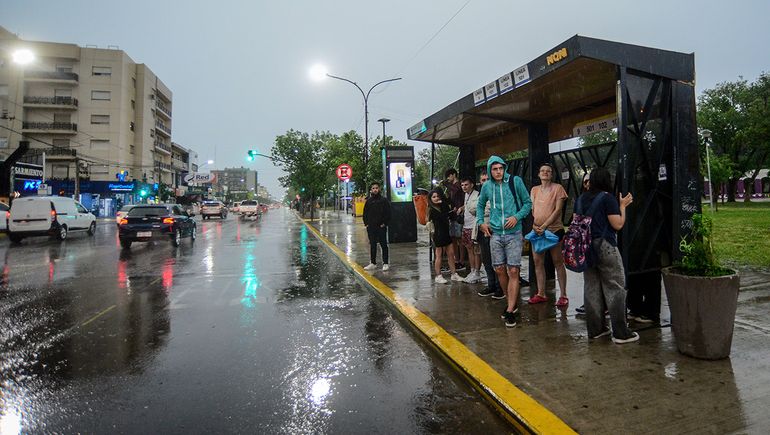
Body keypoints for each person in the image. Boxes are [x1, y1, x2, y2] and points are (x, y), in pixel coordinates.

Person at [578, 167, 639, 344]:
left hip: (585, 247)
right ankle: (621, 332)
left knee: (591, 288)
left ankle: (596, 330)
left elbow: (577, 222)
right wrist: (622, 206)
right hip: (605, 246)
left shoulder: (581, 199)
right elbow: (617, 224)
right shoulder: (607, 198)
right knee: (615, 286)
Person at [476, 156, 532, 327]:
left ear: (504, 168)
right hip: (495, 234)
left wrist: (517, 217)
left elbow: (527, 203)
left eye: (501, 168)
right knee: (499, 269)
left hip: (514, 233)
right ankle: (511, 304)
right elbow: (480, 205)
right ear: (490, 170)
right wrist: (481, 222)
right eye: (495, 169)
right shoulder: (487, 186)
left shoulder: (515, 181)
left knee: (513, 270)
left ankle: (509, 309)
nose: (498, 172)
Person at [529, 163, 569, 307]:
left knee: (557, 261)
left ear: (552, 175)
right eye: (542, 170)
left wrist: (545, 225)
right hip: (537, 230)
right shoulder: (534, 190)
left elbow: (558, 210)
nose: (545, 172)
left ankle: (563, 295)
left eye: (548, 171)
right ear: (538, 174)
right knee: (537, 261)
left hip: (554, 230)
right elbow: (532, 209)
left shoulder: (558, 188)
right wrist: (535, 225)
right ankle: (541, 293)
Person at [475, 170, 505, 299]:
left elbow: (495, 209)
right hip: (482, 232)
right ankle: (491, 285)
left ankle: (500, 288)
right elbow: (473, 209)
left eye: (488, 179)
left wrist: (482, 210)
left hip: (496, 232)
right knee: (486, 261)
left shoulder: (500, 193)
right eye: (483, 180)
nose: (485, 182)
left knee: (498, 261)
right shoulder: (480, 195)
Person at [428, 189, 463, 284]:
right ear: (430, 199)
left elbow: (449, 215)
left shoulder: (443, 206)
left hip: (446, 232)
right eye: (434, 197)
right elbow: (439, 218)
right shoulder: (431, 210)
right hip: (438, 234)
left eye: (437, 196)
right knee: (439, 255)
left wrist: (449, 209)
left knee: (451, 254)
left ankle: (454, 274)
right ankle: (438, 275)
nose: (436, 198)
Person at [458, 176, 482, 283]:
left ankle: (477, 272)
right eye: (462, 185)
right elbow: (466, 205)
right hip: (466, 225)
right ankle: (472, 271)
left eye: (466, 184)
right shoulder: (466, 195)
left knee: (476, 250)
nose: (464, 187)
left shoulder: (477, 195)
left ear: (472, 185)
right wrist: (461, 208)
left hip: (474, 226)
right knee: (469, 249)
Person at [440, 168, 465, 271]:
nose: (448, 179)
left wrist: (445, 183)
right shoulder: (451, 188)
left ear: (453, 175)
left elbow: (456, 190)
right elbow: (450, 199)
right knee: (453, 239)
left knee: (460, 239)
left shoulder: (458, 185)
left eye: (449, 176)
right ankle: (456, 260)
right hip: (453, 215)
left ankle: (462, 261)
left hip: (459, 215)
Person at [362, 182, 391, 271]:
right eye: (373, 188)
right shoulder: (369, 201)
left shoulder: (384, 200)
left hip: (381, 226)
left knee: (383, 244)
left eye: (376, 188)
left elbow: (388, 213)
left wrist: (384, 223)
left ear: (379, 189)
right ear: (371, 190)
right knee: (373, 245)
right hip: (371, 227)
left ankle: (385, 263)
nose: (375, 190)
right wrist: (366, 224)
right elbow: (365, 213)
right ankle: (373, 263)